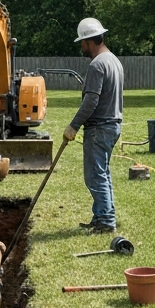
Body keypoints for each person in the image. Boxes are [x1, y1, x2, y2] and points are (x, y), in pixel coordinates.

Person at [63, 17, 124, 233]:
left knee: (95, 175)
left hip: (99, 127)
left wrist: (73, 126)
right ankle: (101, 216)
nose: (81, 46)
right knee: (102, 172)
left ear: (90, 40)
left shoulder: (97, 65)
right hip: (113, 125)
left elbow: (91, 100)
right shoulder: (114, 60)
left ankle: (106, 221)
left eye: (82, 42)